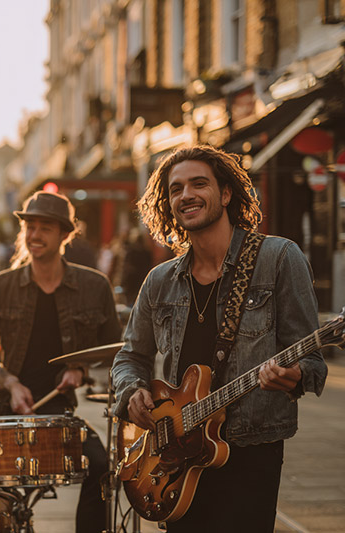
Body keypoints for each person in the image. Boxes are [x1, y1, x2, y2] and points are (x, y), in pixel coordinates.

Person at [111, 145, 327, 532]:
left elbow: (312, 360)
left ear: (226, 194)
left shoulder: (277, 258)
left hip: (250, 449)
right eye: (175, 189)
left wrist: (293, 376)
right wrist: (132, 393)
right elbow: (131, 355)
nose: (186, 195)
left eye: (198, 184)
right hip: (176, 454)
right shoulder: (159, 281)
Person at [0, 190, 121, 533]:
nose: (35, 235)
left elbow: (118, 349)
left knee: (102, 466)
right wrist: (10, 383)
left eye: (45, 227)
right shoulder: (1, 286)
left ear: (65, 234)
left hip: (61, 416)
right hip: (6, 414)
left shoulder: (94, 285)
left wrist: (81, 369)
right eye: (30, 226)